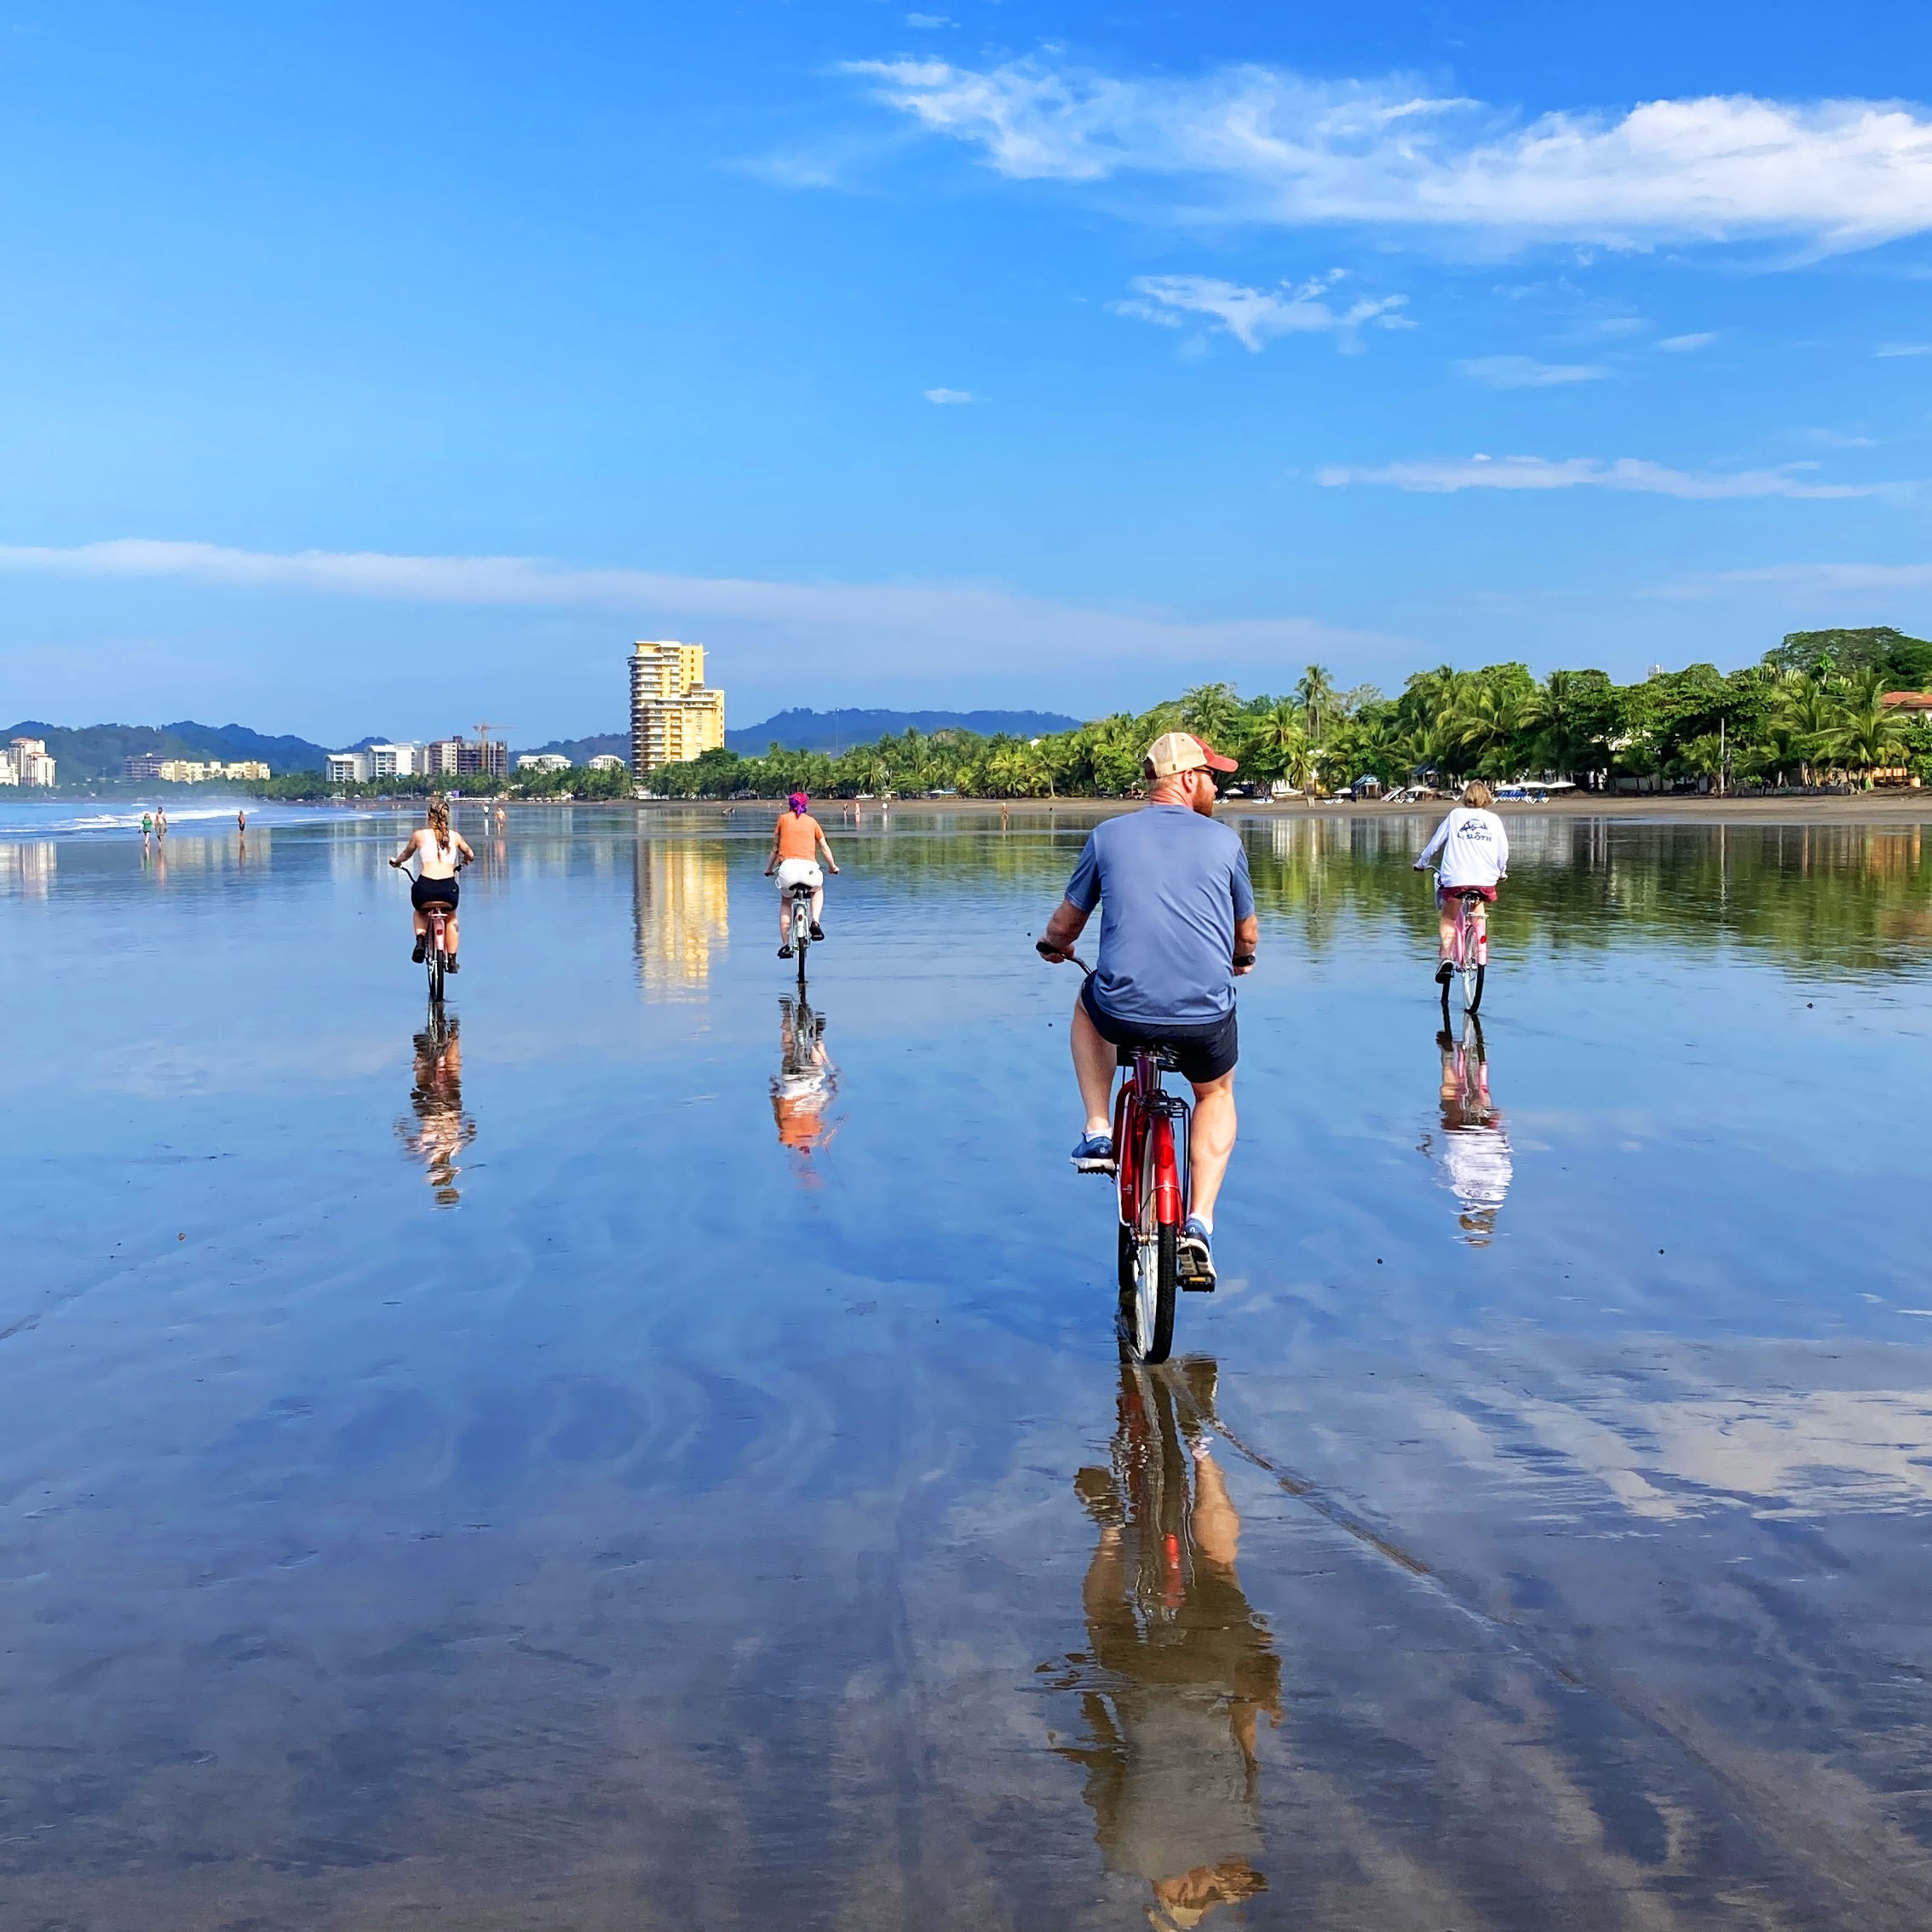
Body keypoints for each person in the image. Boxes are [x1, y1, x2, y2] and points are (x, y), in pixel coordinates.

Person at [1055, 1360, 1280, 1929]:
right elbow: (1105, 1755)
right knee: (1106, 1623)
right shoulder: (1124, 1843)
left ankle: (1202, 1448)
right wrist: (1089, 1695)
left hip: (1213, 1668)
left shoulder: (1238, 1831)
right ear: (1170, 1890)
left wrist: (1259, 1668)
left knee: (1220, 1570)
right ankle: (1110, 1529)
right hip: (1146, 1686)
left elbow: (1246, 1735)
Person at [1037, 733, 1257, 1286]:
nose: (1216, 787)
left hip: (1123, 1009)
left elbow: (1067, 925)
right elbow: (1246, 933)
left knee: (1088, 1006)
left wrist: (1055, 946)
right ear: (1186, 778)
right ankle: (1200, 1224)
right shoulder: (1225, 843)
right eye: (1211, 776)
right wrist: (1242, 958)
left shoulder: (1108, 836)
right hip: (1203, 1018)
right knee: (1215, 1093)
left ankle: (1097, 1130)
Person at [1414, 780, 1508, 985]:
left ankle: (1446, 956)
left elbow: (1435, 843)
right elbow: (1503, 852)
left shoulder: (1456, 815)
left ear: (1466, 796)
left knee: (1448, 917)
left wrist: (1422, 863)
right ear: (1487, 797)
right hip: (1485, 879)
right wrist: (1501, 872)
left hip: (1456, 879)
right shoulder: (1494, 820)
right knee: (1478, 906)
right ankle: (1479, 942)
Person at [388, 793, 474, 970]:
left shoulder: (419, 835)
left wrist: (397, 862)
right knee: (451, 918)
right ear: (447, 817)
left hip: (425, 888)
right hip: (447, 890)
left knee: (420, 911)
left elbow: (405, 854)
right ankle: (451, 960)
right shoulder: (455, 837)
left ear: (428, 817)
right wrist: (465, 860)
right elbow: (470, 854)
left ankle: (420, 941)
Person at [765, 791, 839, 958]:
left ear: (789, 805)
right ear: (805, 805)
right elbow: (824, 848)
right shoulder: (812, 822)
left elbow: (775, 849)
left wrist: (768, 869)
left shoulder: (783, 820)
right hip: (809, 870)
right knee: (817, 890)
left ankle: (785, 945)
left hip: (787, 870)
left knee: (786, 902)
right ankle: (815, 922)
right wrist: (833, 867)